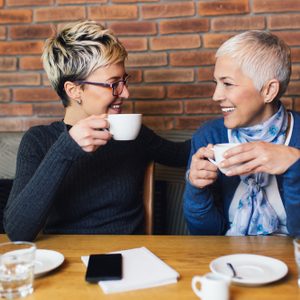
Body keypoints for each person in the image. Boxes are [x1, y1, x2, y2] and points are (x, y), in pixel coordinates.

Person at [4, 20, 190, 241]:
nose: (126, 93)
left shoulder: (132, 133)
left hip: (129, 257)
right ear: (74, 90)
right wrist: (66, 148)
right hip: (67, 261)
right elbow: (17, 232)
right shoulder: (39, 141)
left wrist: (233, 130)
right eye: (113, 84)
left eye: (124, 81)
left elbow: (183, 154)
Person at [184, 30, 300, 236]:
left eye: (227, 84)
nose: (216, 96)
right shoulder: (209, 136)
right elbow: (206, 235)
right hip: (228, 260)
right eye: (216, 83)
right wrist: (196, 188)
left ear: (268, 91)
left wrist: (295, 165)